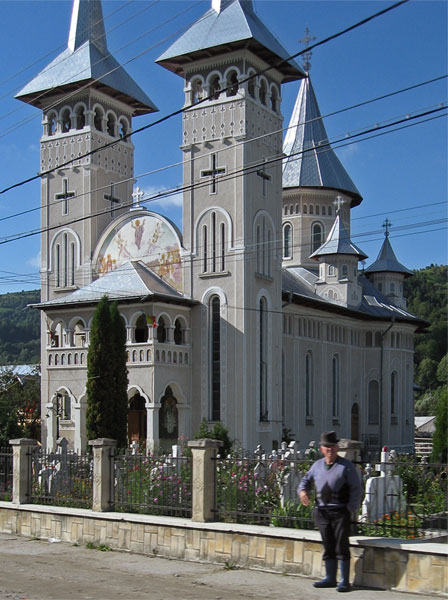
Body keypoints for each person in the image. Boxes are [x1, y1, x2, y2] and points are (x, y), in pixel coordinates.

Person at [298, 431, 362, 593]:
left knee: (341, 545)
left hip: (340, 511)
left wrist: (350, 508)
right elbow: (305, 481)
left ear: (337, 447)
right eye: (327, 447)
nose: (330, 450)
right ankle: (330, 577)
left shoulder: (345, 466)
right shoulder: (317, 466)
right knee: (328, 544)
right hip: (321, 512)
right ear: (322, 449)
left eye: (333, 446)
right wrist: (303, 492)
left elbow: (356, 489)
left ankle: (345, 581)